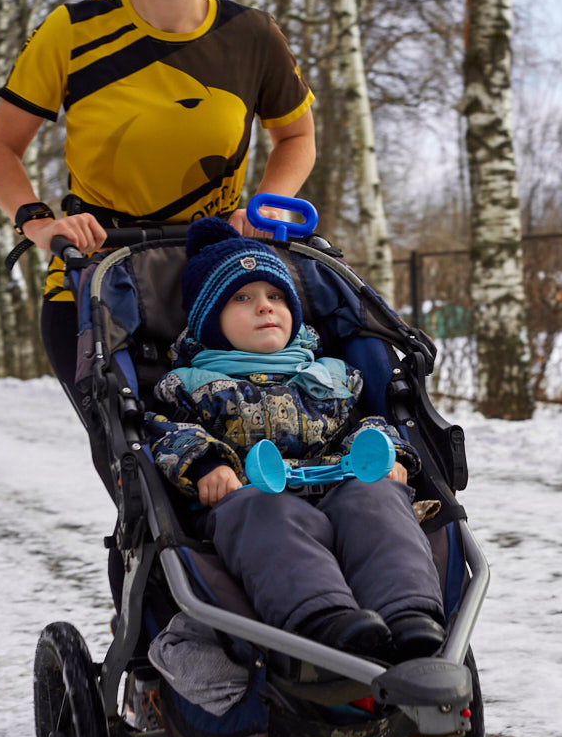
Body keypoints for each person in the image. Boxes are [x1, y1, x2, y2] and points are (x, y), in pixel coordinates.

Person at [0, 0, 316, 480]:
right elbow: (0, 148)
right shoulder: (72, 29)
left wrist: (265, 206)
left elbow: (297, 137)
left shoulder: (254, 33)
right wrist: (39, 223)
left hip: (215, 282)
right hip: (95, 287)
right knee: (143, 475)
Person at [146, 218, 446, 660]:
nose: (265, 307)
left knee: (378, 499)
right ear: (210, 321)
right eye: (242, 298)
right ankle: (323, 617)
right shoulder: (192, 384)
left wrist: (388, 453)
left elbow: (367, 421)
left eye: (276, 296)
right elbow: (164, 431)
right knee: (265, 512)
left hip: (341, 490)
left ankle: (408, 612)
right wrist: (206, 464)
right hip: (254, 498)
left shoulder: (331, 376)